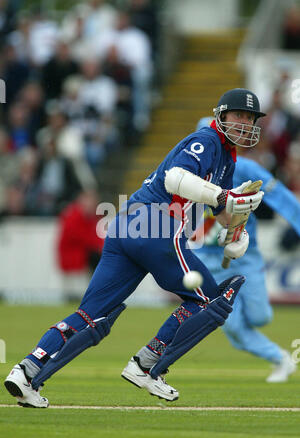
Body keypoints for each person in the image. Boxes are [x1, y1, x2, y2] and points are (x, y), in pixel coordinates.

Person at [4, 88, 266, 408]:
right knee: (211, 301)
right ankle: (145, 366)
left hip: (126, 226)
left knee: (91, 317)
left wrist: (237, 230)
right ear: (221, 115)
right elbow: (176, 178)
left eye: (250, 118)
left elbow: (221, 213)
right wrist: (227, 198)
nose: (244, 123)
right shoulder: (208, 140)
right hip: (156, 227)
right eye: (238, 115)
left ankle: (27, 371)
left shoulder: (227, 157)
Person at [191, 116, 300, 382]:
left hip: (245, 254)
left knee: (260, 316)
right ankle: (280, 358)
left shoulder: (246, 168)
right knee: (234, 326)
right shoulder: (186, 171)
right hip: (207, 259)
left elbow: (280, 196)